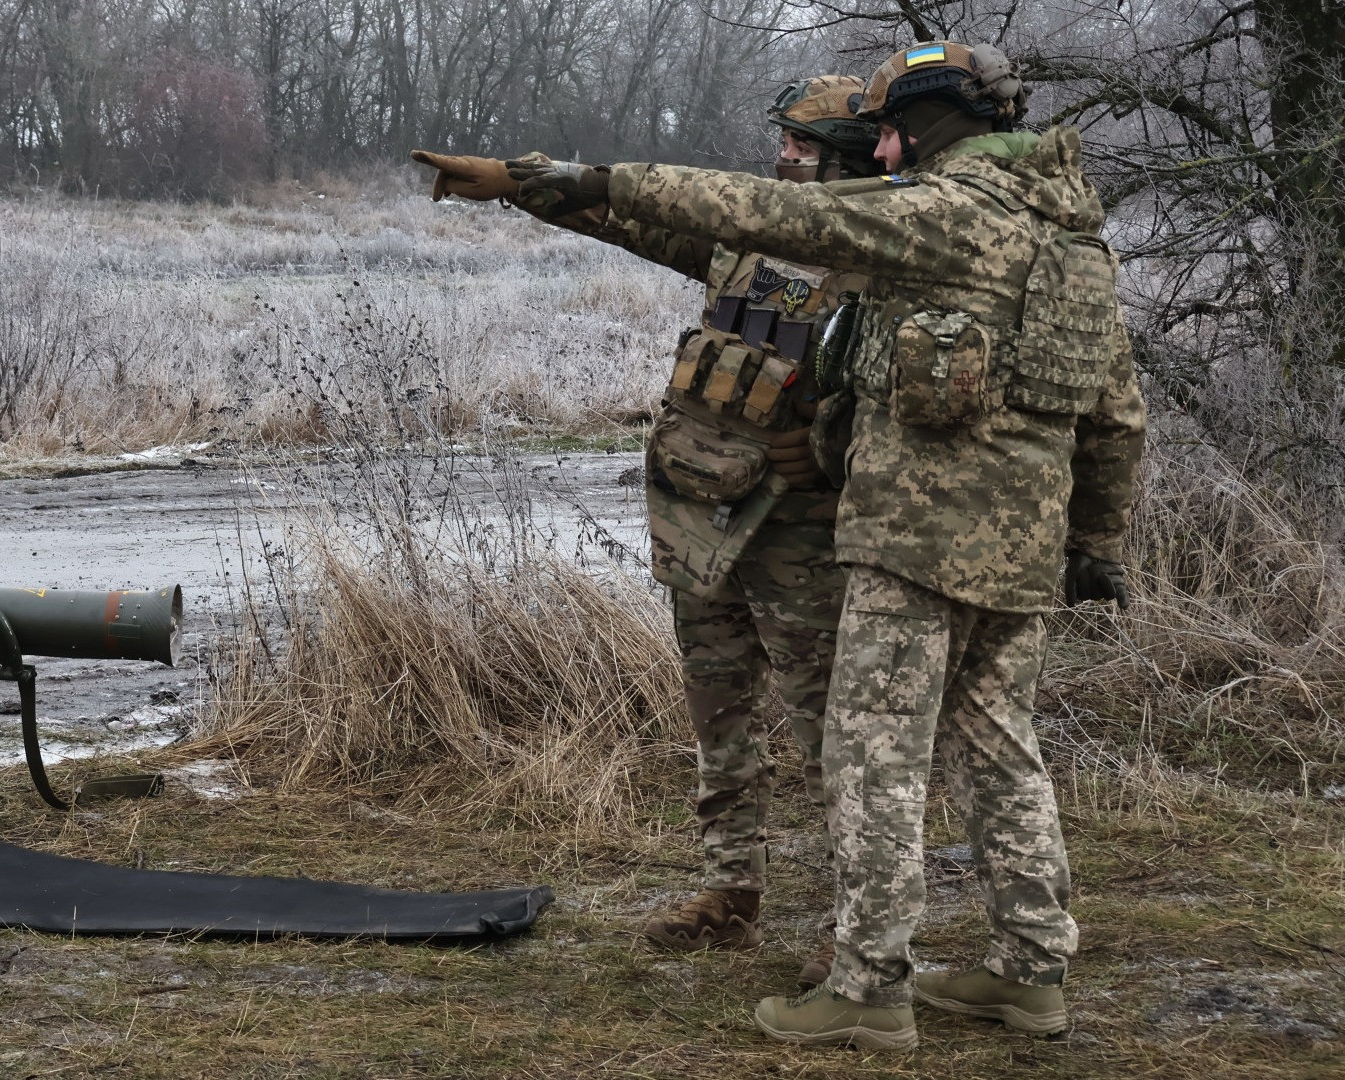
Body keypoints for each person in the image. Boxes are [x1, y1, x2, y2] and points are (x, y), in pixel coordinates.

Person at [504, 41, 1146, 1049]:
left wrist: (597, 176)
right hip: (1016, 551)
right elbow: (1117, 416)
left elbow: (776, 220)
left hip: (913, 538)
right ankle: (1031, 969)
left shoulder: (935, 218)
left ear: (926, 128)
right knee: (1000, 751)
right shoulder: (1070, 239)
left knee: (869, 753)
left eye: (890, 132)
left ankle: (867, 985)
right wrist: (1097, 539)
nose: (883, 149)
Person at [414, 77, 878, 989]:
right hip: (706, 509)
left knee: (832, 730)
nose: (783, 156)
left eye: (803, 145)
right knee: (717, 707)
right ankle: (730, 888)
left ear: (853, 152)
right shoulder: (747, 235)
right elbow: (626, 214)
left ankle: (855, 921)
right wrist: (515, 182)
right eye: (783, 141)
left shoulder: (890, 256)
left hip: (806, 528)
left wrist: (829, 453)